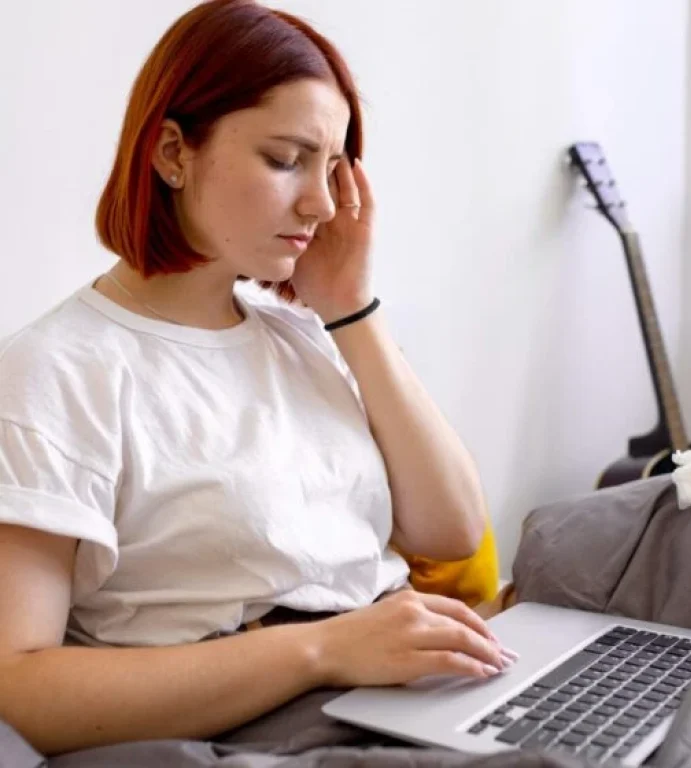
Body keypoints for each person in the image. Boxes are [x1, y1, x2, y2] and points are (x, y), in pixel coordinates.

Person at [0, 0, 516, 756]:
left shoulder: (304, 334)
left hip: (404, 676)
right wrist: (325, 650)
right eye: (285, 160)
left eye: (333, 169)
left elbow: (451, 529)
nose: (321, 203)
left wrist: (349, 307)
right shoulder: (58, 370)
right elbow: (21, 684)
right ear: (172, 152)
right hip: (274, 718)